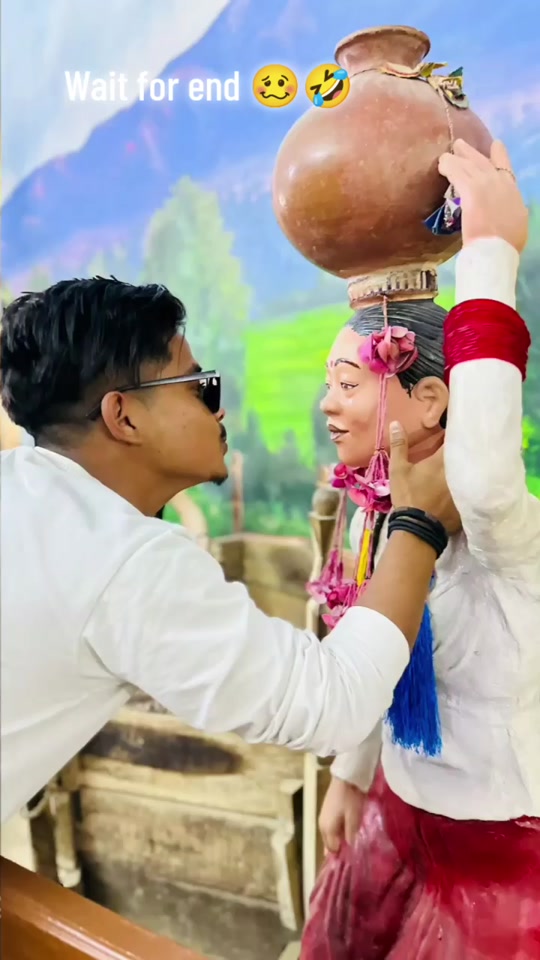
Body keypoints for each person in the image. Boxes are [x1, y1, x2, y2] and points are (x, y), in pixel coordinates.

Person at [0, 269, 458, 826]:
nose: (218, 410)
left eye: (349, 385)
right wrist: (418, 524)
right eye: (201, 387)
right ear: (124, 416)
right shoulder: (122, 562)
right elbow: (332, 703)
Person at [301, 140, 540, 958]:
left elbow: (481, 475)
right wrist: (351, 776)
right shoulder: (372, 516)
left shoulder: (509, 534)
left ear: (433, 396)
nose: (327, 404)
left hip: (500, 857)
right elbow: (376, 657)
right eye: (328, 382)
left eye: (348, 383)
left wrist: (490, 253)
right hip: (398, 816)